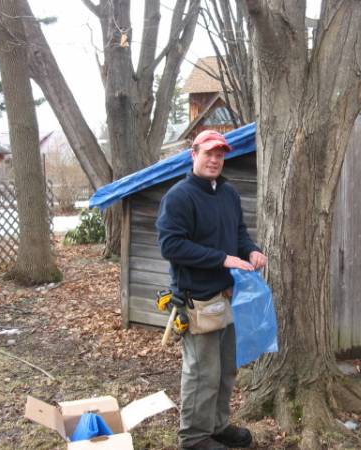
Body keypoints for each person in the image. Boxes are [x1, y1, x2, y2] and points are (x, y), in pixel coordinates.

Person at [156, 129, 268, 450]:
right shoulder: (179, 196)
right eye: (209, 153)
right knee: (202, 373)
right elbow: (171, 246)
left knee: (226, 370)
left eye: (220, 154)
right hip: (196, 299)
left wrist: (250, 251)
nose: (215, 159)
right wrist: (223, 259)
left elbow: (239, 233)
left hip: (229, 295)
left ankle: (217, 427)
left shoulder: (228, 193)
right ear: (194, 154)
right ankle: (193, 438)